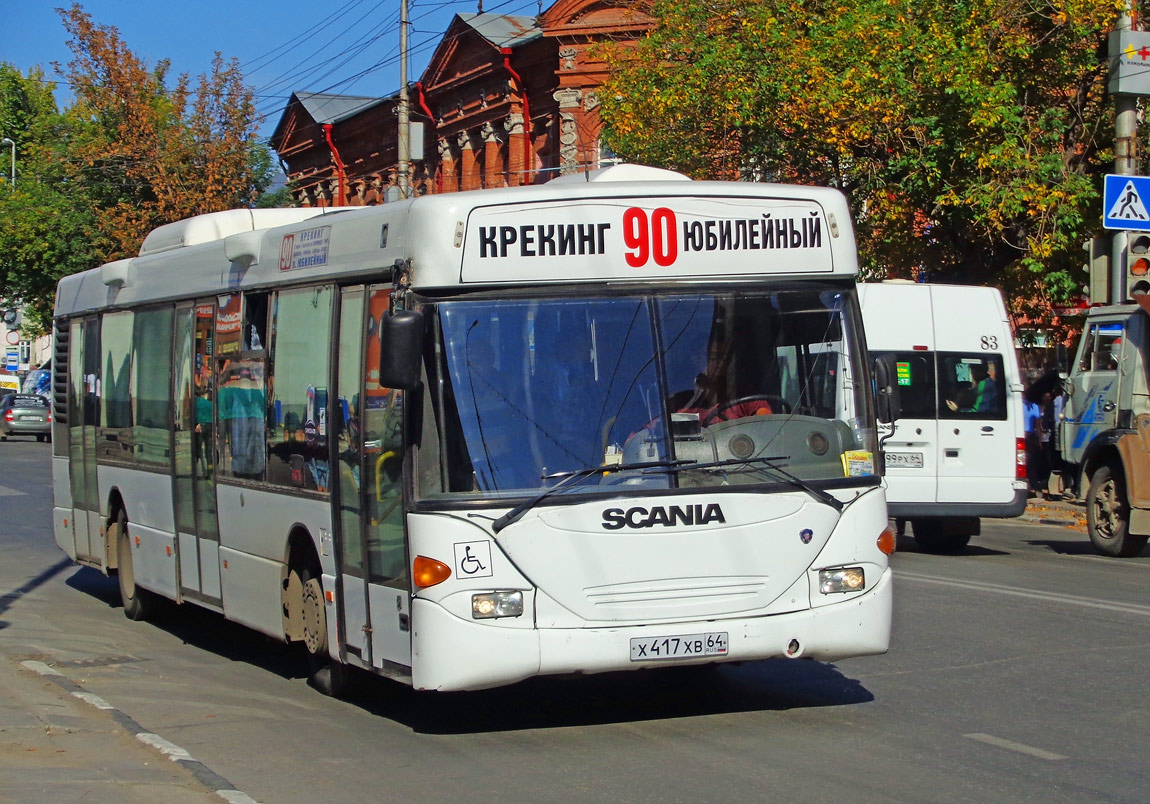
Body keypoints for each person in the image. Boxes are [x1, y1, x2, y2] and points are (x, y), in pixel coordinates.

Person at [1023, 386, 1044, 496]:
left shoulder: (1018, 405)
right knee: (1031, 463)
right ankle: (1036, 487)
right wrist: (1040, 440)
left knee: (1022, 462)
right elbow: (1038, 425)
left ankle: (1028, 486)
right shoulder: (1035, 406)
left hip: (1021, 436)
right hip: (1031, 436)